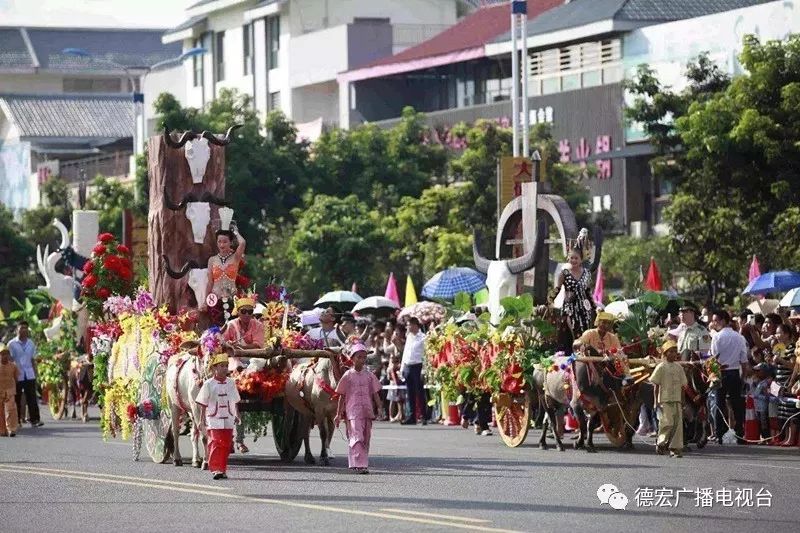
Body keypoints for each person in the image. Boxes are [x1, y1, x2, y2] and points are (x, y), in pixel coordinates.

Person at [222, 296, 264, 454]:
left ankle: (238, 440)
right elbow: (223, 344)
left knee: (260, 363)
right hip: (235, 361)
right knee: (235, 365)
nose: (247, 314)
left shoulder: (258, 325)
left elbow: (259, 346)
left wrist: (240, 346)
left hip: (254, 361)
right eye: (243, 311)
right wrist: (231, 346)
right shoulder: (231, 325)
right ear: (237, 312)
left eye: (250, 312)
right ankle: (232, 441)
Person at [334, 343, 382, 474]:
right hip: (353, 412)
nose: (362, 360)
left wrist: (380, 408)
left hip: (367, 410)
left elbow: (375, 393)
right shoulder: (347, 375)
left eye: (364, 357)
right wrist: (338, 414)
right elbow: (341, 396)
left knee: (366, 438)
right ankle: (360, 465)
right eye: (359, 357)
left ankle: (357, 463)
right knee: (357, 437)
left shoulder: (369, 375)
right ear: (352, 358)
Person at [195, 352, 241, 480]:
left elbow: (235, 400)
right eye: (222, 366)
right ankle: (216, 469)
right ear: (214, 368)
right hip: (214, 417)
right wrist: (201, 420)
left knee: (226, 444)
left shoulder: (231, 383)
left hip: (228, 416)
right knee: (215, 442)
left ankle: (222, 469)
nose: (225, 368)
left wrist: (237, 415)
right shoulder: (208, 384)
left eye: (226, 365)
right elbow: (203, 403)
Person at [709, 310, 749, 445]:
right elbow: (744, 360)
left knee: (720, 404)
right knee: (737, 404)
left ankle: (720, 433)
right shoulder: (739, 337)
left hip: (721, 372)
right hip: (734, 373)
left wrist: (714, 374)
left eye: (716, 320)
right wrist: (743, 376)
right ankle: (740, 432)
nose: (714, 323)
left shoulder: (717, 337)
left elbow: (714, 358)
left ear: (724, 321)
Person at [650, 340, 688, 457]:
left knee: (677, 424)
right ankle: (661, 443)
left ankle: (675, 448)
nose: (673, 354)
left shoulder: (679, 367)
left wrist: (683, 401)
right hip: (665, 400)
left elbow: (683, 386)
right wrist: (656, 402)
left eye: (675, 352)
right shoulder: (661, 367)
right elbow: (656, 385)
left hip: (677, 399)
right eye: (670, 352)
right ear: (665, 353)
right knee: (667, 423)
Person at [203, 228, 246, 322]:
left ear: (230, 242)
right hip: (215, 300)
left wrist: (235, 231)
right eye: (219, 242)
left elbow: (242, 243)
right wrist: (205, 302)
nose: (222, 245)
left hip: (232, 299)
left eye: (225, 242)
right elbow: (210, 282)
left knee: (232, 328)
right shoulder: (212, 260)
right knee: (217, 331)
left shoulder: (235, 258)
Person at [8, 321, 43, 428]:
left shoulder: (31, 343)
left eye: (25, 328)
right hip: (17, 374)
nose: (23, 330)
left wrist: (36, 373)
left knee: (32, 398)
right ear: (17, 330)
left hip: (29, 374)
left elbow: (33, 359)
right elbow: (10, 360)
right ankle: (17, 420)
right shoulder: (12, 344)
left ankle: (35, 420)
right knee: (17, 398)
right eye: (21, 328)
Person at [554, 248, 596, 338]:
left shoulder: (587, 273)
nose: (573, 260)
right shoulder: (564, 274)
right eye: (571, 258)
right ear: (568, 258)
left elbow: (588, 292)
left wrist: (595, 307)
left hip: (584, 307)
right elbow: (557, 289)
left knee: (587, 333)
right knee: (574, 332)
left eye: (576, 258)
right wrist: (549, 302)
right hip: (570, 307)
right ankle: (574, 350)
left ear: (581, 259)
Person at [579, 311, 631, 382]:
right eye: (604, 322)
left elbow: (619, 352)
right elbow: (581, 348)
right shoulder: (589, 334)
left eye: (608, 323)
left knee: (622, 357)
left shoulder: (613, 337)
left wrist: (610, 353)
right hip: (590, 365)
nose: (606, 325)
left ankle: (627, 378)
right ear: (598, 322)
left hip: (608, 366)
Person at [400, 317, 426, 425]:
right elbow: (405, 353)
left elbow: (425, 355)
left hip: (418, 366)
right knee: (410, 393)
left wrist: (424, 369)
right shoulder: (409, 337)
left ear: (415, 325)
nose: (407, 327)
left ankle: (424, 416)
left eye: (409, 325)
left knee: (420, 392)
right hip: (408, 366)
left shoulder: (423, 337)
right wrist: (402, 368)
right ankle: (412, 417)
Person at [0, 344, 20, 437]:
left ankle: (12, 429)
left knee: (11, 410)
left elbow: (16, 378)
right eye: (2, 354)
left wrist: (12, 387)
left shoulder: (13, 366)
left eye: (6, 354)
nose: (4, 356)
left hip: (10, 391)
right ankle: (2, 430)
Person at [386, 354, 405, 422]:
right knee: (392, 401)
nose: (395, 362)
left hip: (399, 385)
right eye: (393, 360)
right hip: (393, 385)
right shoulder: (390, 368)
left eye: (396, 361)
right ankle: (390, 416)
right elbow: (389, 378)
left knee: (399, 400)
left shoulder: (400, 367)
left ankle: (400, 415)